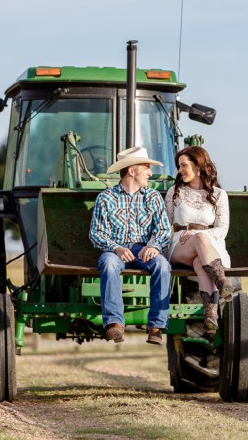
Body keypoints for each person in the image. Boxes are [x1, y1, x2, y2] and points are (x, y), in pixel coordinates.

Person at [89, 146, 172, 346]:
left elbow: (164, 230)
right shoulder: (106, 198)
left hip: (144, 250)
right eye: (146, 168)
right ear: (132, 171)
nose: (150, 173)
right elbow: (96, 234)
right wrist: (116, 248)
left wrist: (153, 246)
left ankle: (156, 326)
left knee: (162, 265)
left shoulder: (152, 197)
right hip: (115, 251)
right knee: (108, 263)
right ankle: (115, 324)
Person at [165, 145, 233, 333]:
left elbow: (222, 229)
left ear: (198, 165)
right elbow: (166, 225)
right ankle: (221, 281)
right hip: (180, 244)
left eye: (184, 165)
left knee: (199, 260)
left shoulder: (219, 195)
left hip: (208, 245)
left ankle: (210, 314)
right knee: (199, 241)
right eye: (179, 166)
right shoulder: (175, 192)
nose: (180, 170)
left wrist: (198, 235)